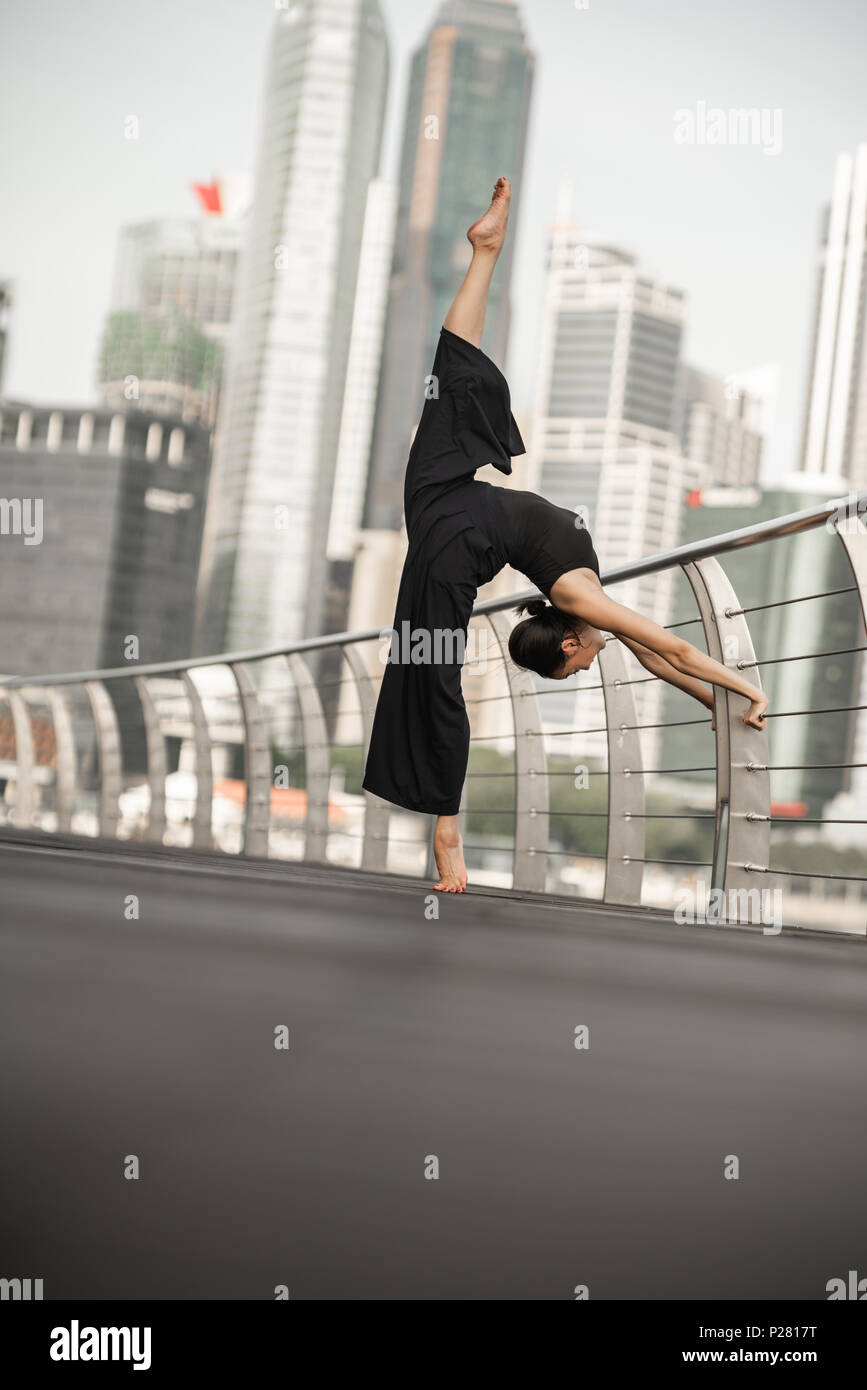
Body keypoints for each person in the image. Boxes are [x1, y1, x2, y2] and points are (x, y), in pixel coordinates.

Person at [362, 177, 769, 893]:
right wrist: (727, 692)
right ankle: (485, 251)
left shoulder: (578, 597)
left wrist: (727, 694)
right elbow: (660, 653)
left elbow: (663, 650)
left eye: (574, 668)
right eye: (576, 674)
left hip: (455, 521)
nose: (586, 668)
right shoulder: (578, 600)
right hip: (439, 501)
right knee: (452, 376)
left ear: (570, 637)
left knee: (431, 675)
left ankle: (446, 840)